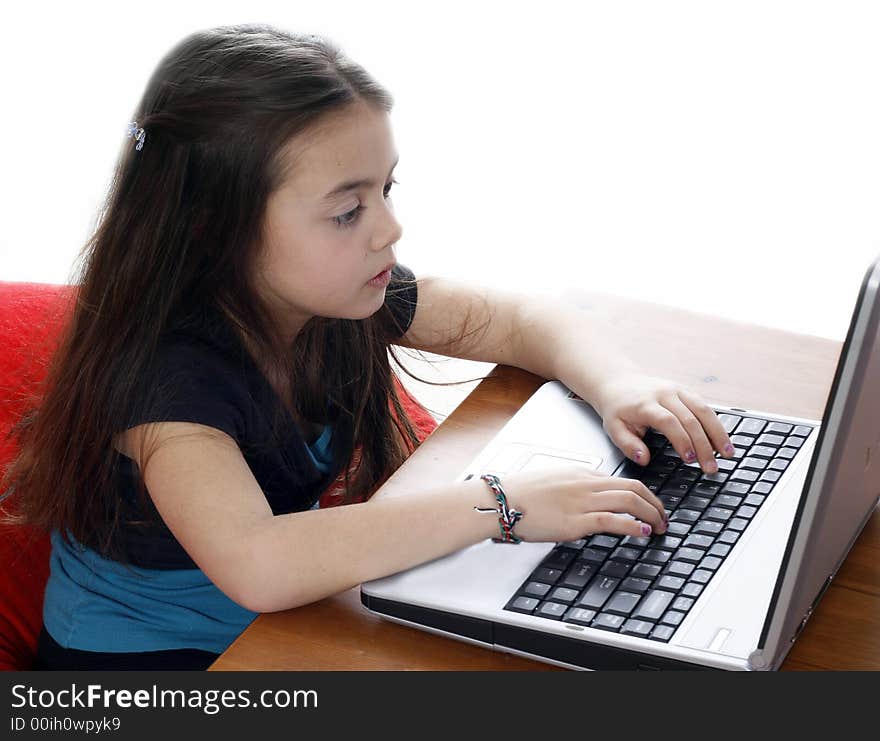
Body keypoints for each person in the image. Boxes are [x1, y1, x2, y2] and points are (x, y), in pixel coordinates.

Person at [0, 24, 735, 671]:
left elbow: (516, 319)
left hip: (280, 616)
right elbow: (259, 562)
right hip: (151, 660)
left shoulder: (337, 297)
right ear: (213, 230)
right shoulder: (167, 381)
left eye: (387, 188)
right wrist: (504, 505)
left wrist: (619, 383)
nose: (389, 228)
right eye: (348, 210)